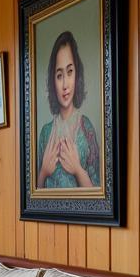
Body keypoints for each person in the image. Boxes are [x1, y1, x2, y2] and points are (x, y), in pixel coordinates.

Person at [35, 30, 100, 189]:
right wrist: (43, 172)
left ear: (77, 74)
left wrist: (77, 169)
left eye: (69, 72)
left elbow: (101, 198)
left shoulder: (87, 128)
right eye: (59, 75)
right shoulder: (45, 133)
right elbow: (34, 196)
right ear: (53, 81)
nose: (65, 84)